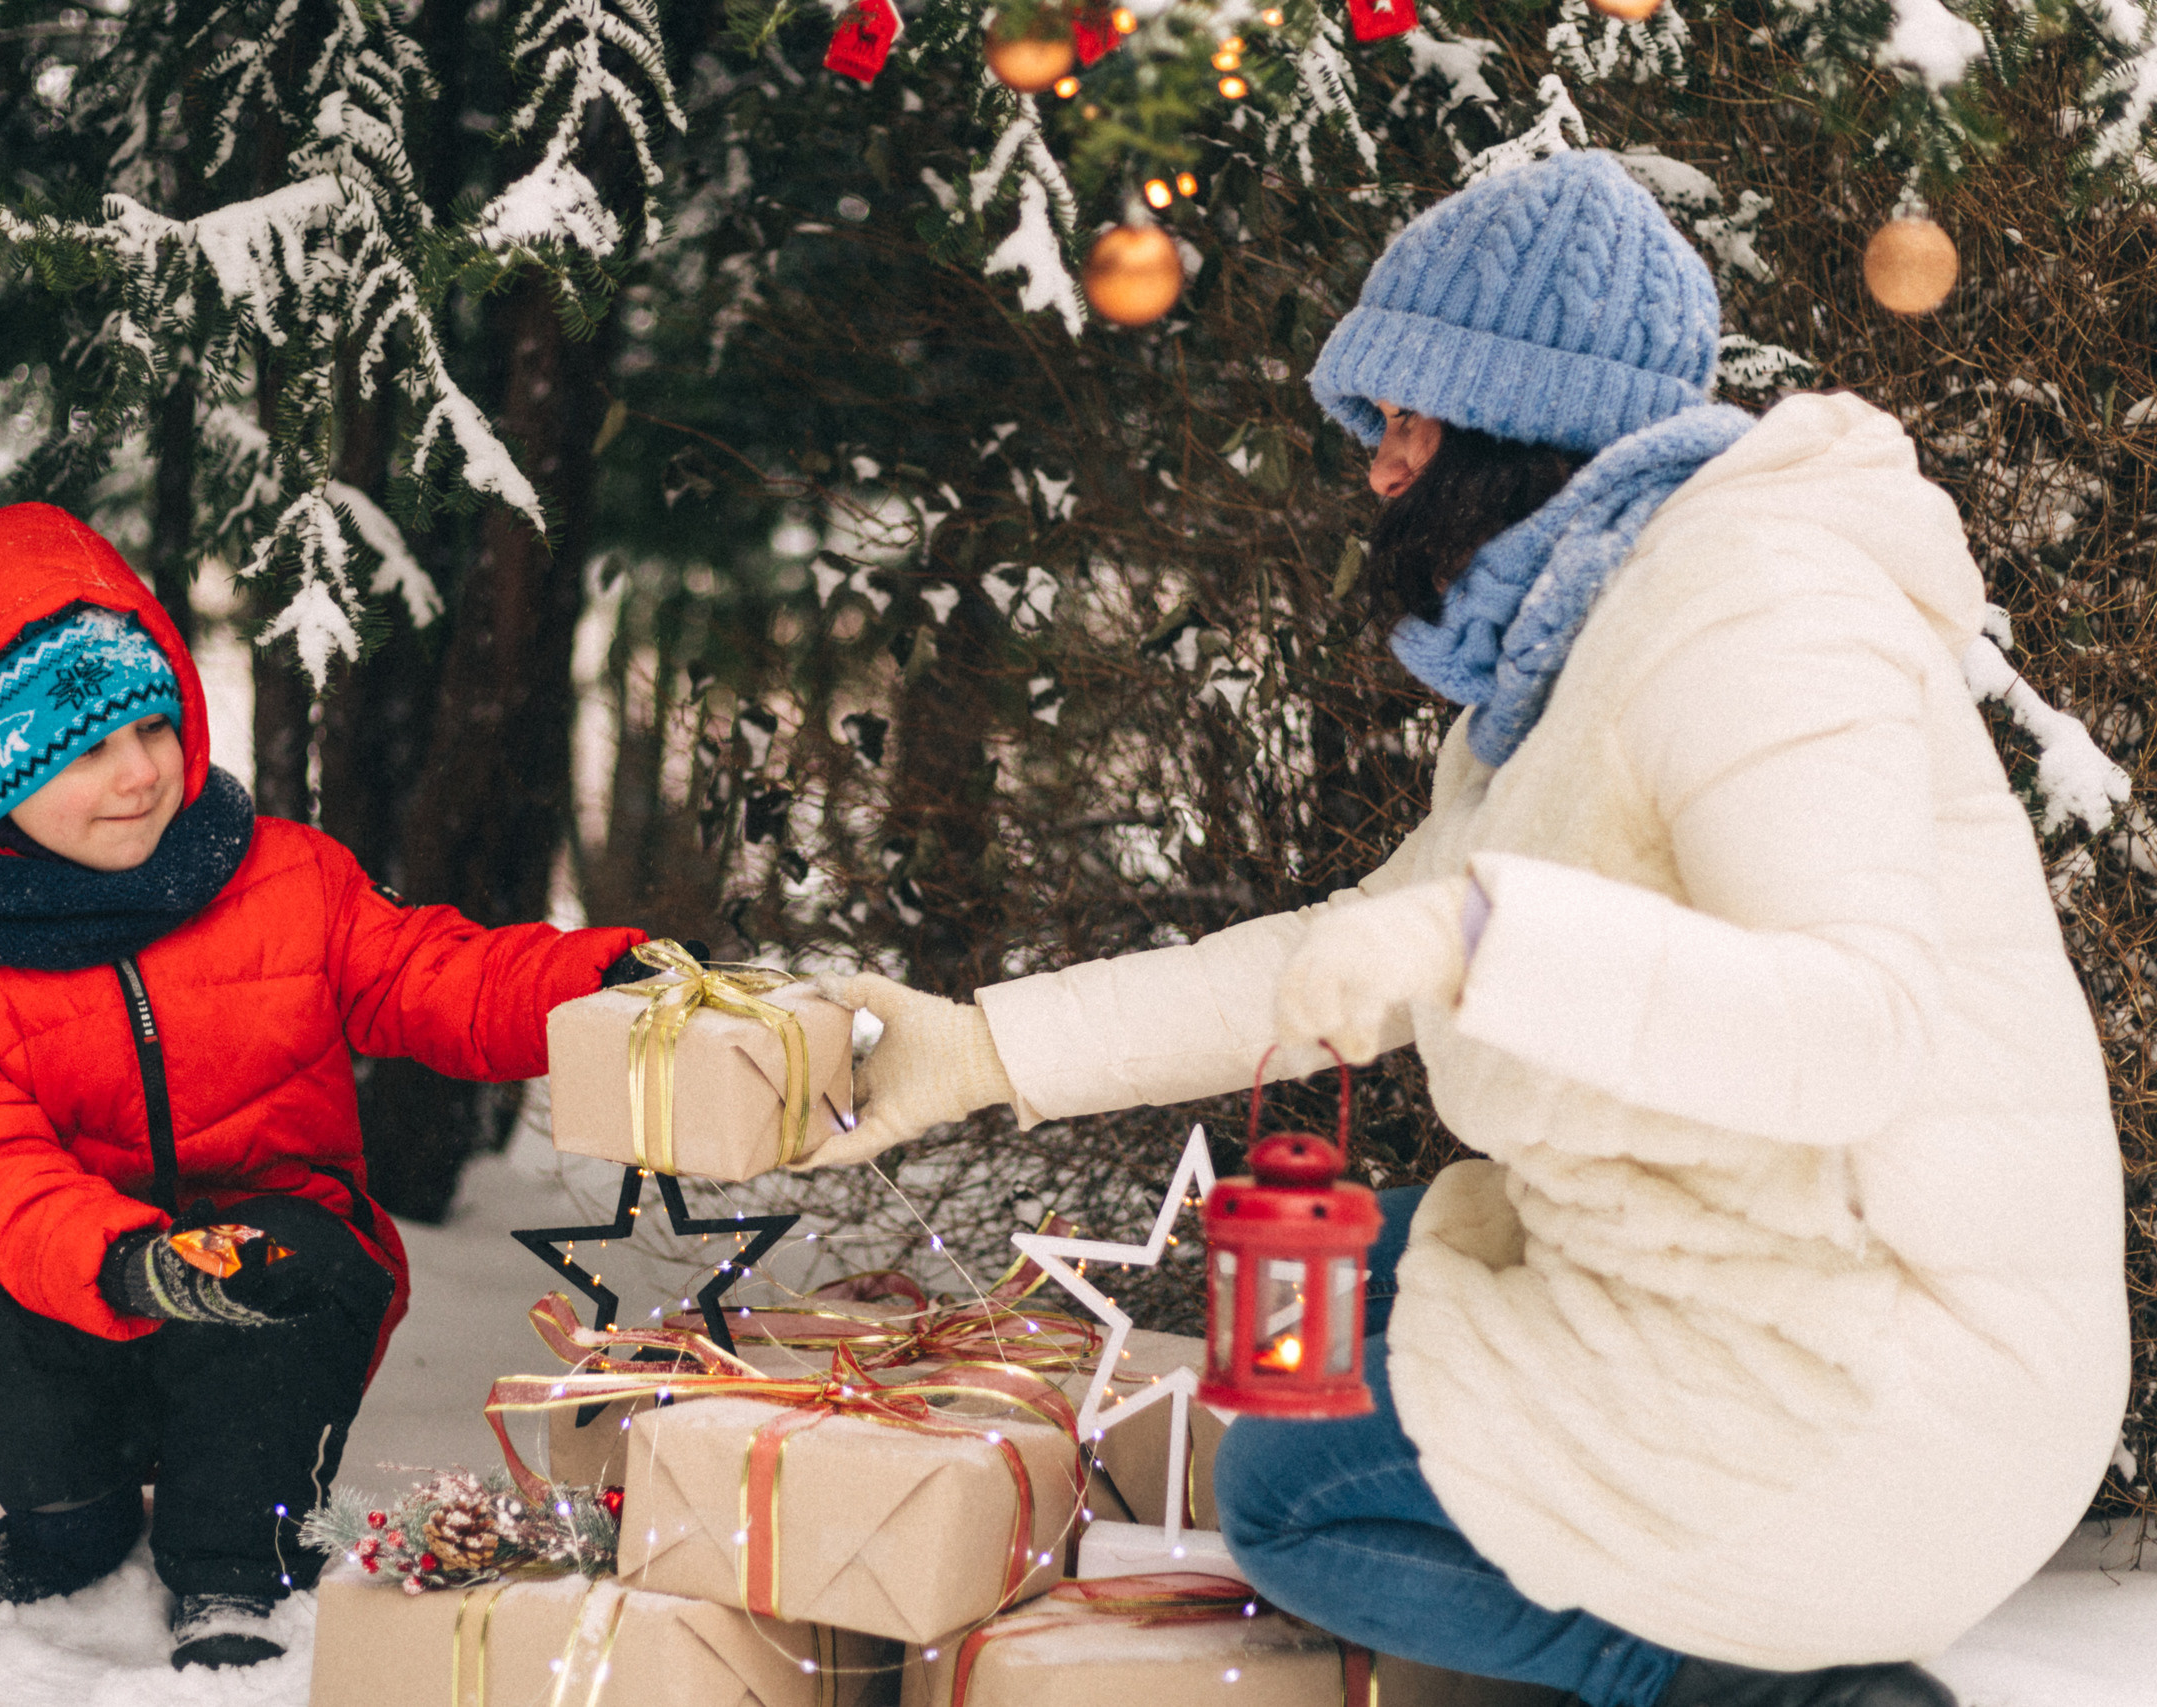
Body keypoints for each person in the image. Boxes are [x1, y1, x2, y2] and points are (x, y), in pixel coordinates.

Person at [816, 151, 2125, 1707]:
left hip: (1880, 1379)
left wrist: (1490, 938)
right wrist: (982, 1049)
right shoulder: (1580, 661)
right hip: (1733, 1289)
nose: (1379, 468)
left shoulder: (1760, 609)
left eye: (1411, 421)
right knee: (1327, 1318)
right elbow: (1337, 948)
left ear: (1527, 422)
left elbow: (1857, 1029)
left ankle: (1761, 1686)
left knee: (1292, 1490)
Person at [0, 502, 654, 1669]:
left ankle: (234, 1561)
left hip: (279, 1274)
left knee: (289, 1276)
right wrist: (127, 1263)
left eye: (151, 727)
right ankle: (65, 1525)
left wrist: (597, 983)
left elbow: (439, 976)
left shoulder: (286, 880)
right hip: (95, 1286)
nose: (138, 773)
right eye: (83, 751)